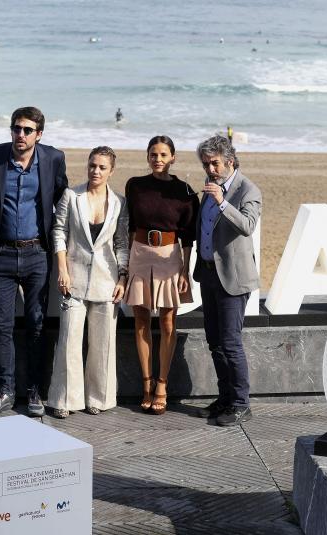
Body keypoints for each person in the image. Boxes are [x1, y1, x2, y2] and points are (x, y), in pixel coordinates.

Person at [0, 106, 68, 416]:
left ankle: (34, 391)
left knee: (36, 325)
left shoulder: (53, 158)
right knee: (2, 326)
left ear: (39, 134)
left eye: (26, 130)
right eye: (15, 128)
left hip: (38, 254)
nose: (19, 135)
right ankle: (6, 391)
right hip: (1, 255)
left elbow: (63, 200)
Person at [47, 146, 129, 418]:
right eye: (92, 165)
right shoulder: (72, 196)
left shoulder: (119, 202)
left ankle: (99, 398)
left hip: (107, 280)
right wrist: (62, 269)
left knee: (103, 343)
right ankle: (65, 400)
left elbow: (121, 243)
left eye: (102, 167)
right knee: (69, 340)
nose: (96, 171)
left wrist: (123, 277)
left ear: (111, 171)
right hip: (73, 279)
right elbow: (58, 232)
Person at [124, 136, 199, 415]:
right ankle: (146, 384)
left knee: (167, 321)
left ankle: (162, 385)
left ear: (173, 158)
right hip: (140, 254)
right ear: (147, 157)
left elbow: (189, 237)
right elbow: (130, 225)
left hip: (170, 255)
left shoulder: (186, 192)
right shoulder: (135, 186)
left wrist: (185, 269)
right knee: (141, 319)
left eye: (164, 154)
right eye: (153, 154)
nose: (158, 159)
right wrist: (126, 265)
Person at [193, 135, 261, 426]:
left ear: (230, 161)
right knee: (214, 342)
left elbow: (247, 226)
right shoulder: (209, 189)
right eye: (206, 163)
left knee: (231, 343)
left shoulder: (247, 189)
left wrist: (222, 202)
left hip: (232, 278)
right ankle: (224, 398)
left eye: (215, 163)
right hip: (208, 273)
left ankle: (241, 403)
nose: (210, 168)